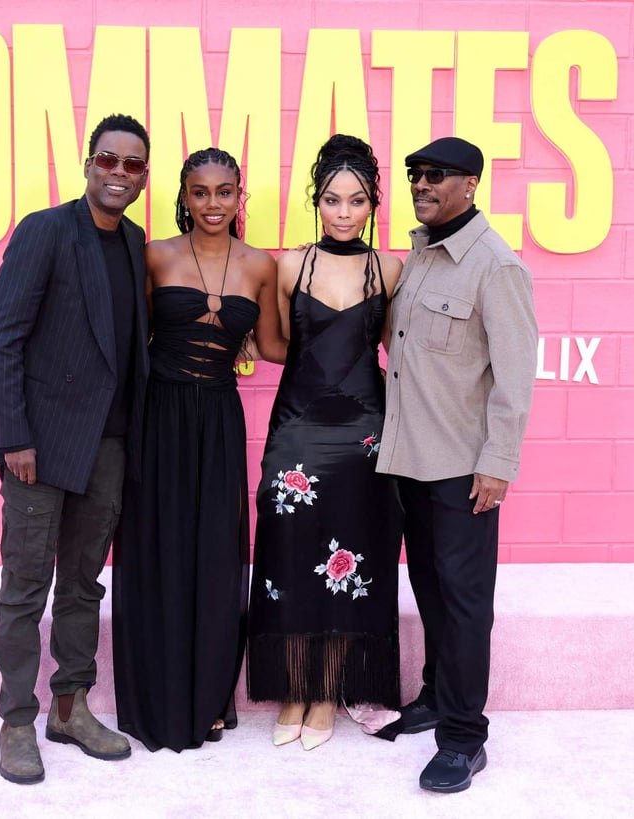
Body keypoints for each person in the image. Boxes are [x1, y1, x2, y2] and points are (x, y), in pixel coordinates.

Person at [0, 114, 151, 784]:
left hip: (106, 445)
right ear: (88, 162)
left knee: (83, 583)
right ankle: (16, 719)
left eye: (132, 165)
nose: (118, 173)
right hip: (40, 445)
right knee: (26, 585)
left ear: (142, 177)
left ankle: (71, 706)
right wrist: (14, 433)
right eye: (108, 159)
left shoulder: (135, 242)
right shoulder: (46, 230)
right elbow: (3, 335)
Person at [373, 137, 537, 793]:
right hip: (410, 462)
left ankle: (465, 737)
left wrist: (498, 463)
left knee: (467, 604)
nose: (422, 183)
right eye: (415, 174)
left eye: (436, 175)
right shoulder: (418, 255)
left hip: (464, 471)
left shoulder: (496, 267)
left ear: (471, 183)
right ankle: (438, 694)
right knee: (434, 593)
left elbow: (515, 378)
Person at [112, 147, 286, 752]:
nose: (213, 203)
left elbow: (273, 347)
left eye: (224, 191)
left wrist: (352, 320)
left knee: (214, 555)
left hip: (218, 419)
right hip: (158, 418)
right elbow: (125, 338)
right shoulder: (152, 255)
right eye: (200, 192)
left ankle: (210, 695)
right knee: (158, 550)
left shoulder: (262, 266)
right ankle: (156, 696)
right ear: (184, 197)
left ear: (241, 195)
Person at [246, 134, 404, 750]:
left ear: (372, 205)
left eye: (356, 201)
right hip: (298, 430)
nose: (343, 212)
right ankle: (295, 687)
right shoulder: (291, 265)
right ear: (317, 202)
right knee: (289, 556)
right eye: (333, 200)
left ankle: (331, 689)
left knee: (354, 558)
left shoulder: (389, 268)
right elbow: (278, 346)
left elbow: (391, 349)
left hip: (366, 434)